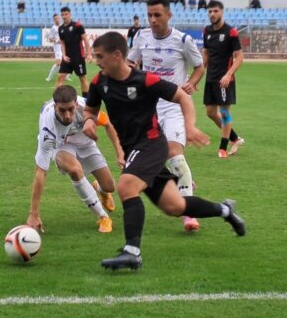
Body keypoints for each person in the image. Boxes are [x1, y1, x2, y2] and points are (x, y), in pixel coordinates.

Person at [84, 32, 246, 270]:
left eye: (100, 56)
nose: (96, 61)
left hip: (151, 144)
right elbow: (90, 110)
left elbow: (182, 97)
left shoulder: (145, 80)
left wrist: (189, 126)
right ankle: (226, 210)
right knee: (175, 206)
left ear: (117, 55)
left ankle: (132, 252)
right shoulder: (99, 82)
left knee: (126, 186)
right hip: (134, 150)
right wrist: (89, 121)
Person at [128, 0, 205, 232]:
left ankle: (189, 212)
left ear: (169, 15)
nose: (152, 20)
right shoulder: (141, 37)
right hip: (148, 106)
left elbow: (199, 66)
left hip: (174, 105)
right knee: (148, 157)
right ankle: (183, 181)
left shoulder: (183, 40)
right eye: (149, 15)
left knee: (173, 153)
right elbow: (131, 63)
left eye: (157, 15)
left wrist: (191, 83)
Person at [27, 85, 123, 234]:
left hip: (86, 144)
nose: (67, 115)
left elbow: (108, 124)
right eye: (62, 110)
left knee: (110, 186)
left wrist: (120, 153)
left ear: (76, 104)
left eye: (70, 109)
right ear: (55, 107)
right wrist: (33, 213)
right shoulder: (48, 130)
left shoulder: (86, 107)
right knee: (75, 170)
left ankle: (100, 189)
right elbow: (40, 172)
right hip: (61, 146)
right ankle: (103, 217)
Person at [202, 0, 245, 159]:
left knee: (225, 112)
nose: (212, 14)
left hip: (225, 81)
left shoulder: (231, 32)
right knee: (210, 112)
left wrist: (228, 74)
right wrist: (198, 75)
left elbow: (239, 57)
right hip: (210, 79)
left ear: (221, 12)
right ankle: (235, 138)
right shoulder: (206, 31)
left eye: (215, 11)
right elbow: (206, 54)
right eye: (210, 11)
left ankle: (223, 148)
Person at [56, 7, 92, 97]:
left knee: (82, 79)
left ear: (70, 14)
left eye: (66, 14)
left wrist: (89, 54)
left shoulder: (78, 25)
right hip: (67, 58)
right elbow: (62, 43)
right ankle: (56, 100)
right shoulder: (60, 28)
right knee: (60, 77)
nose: (64, 16)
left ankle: (86, 99)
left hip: (78, 57)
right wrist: (64, 55)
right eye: (62, 15)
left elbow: (85, 40)